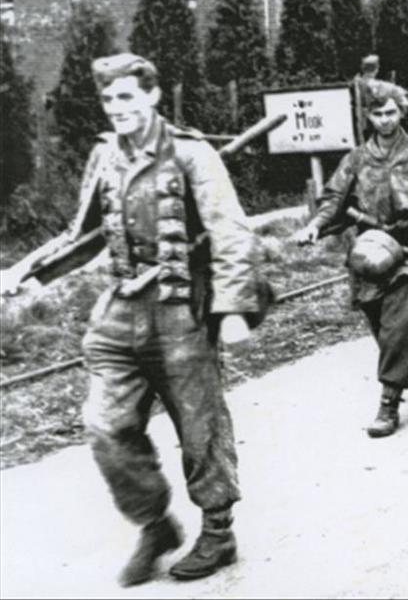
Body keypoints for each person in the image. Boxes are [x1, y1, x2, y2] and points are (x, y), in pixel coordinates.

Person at [3, 53, 269, 586]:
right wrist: (29, 272)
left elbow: (231, 234)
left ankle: (218, 531)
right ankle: (155, 524)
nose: (116, 107)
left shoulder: (191, 153)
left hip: (181, 310)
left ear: (152, 95)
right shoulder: (106, 154)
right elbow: (84, 234)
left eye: (126, 96)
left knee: (200, 426)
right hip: (121, 310)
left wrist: (233, 309)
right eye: (108, 99)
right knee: (105, 425)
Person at [294, 81, 408, 438]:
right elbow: (334, 198)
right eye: (377, 113)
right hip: (369, 253)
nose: (385, 120)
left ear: (401, 112)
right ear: (368, 116)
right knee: (382, 329)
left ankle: (388, 405)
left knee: (398, 327)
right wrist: (315, 226)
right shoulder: (356, 159)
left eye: (391, 112)